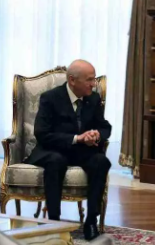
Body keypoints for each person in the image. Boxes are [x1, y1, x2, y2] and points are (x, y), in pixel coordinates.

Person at [25, 60, 111, 240]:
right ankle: (54, 223)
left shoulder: (93, 98)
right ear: (72, 80)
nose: (93, 84)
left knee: (101, 161)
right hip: (53, 149)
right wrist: (77, 138)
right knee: (56, 161)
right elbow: (42, 133)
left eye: (94, 79)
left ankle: (91, 222)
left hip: (82, 151)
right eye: (89, 79)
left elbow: (105, 127)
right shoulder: (50, 98)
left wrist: (96, 135)